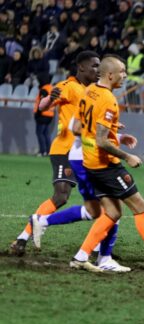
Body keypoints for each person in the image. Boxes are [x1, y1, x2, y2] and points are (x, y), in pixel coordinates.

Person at [65, 55, 144, 273]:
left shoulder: (88, 91)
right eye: (122, 71)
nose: (125, 75)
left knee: (113, 213)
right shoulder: (108, 99)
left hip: (90, 163)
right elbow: (102, 141)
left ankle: (81, 257)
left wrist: (112, 129)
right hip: (107, 166)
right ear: (110, 75)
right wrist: (127, 157)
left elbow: (76, 128)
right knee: (141, 207)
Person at [9, 51, 101, 256]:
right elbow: (44, 106)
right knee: (61, 196)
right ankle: (23, 236)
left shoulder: (94, 91)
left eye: (100, 66)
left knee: (102, 197)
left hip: (86, 152)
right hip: (65, 150)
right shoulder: (68, 87)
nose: (98, 70)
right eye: (94, 66)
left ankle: (98, 247)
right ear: (82, 67)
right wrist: (49, 99)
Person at [33, 81, 54, 157]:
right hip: (50, 115)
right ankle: (48, 151)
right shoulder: (51, 88)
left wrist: (37, 114)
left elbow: (41, 103)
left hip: (42, 115)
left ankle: (42, 151)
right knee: (46, 133)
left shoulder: (43, 89)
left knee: (40, 133)